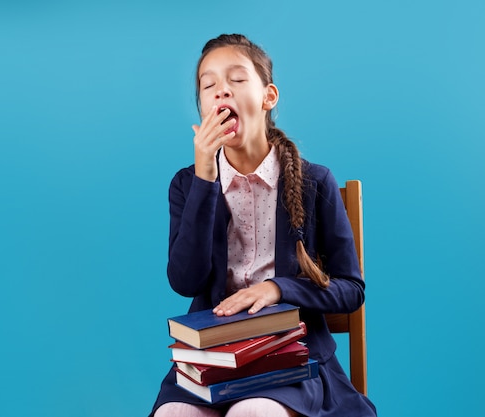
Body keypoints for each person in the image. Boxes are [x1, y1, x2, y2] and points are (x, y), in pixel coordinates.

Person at [149, 34, 377, 417]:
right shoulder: (186, 185)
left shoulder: (314, 183)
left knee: (254, 412)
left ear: (268, 97)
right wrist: (206, 179)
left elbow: (350, 290)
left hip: (294, 362)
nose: (221, 90)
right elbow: (185, 281)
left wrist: (277, 288)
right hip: (212, 362)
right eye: (209, 85)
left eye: (236, 79)